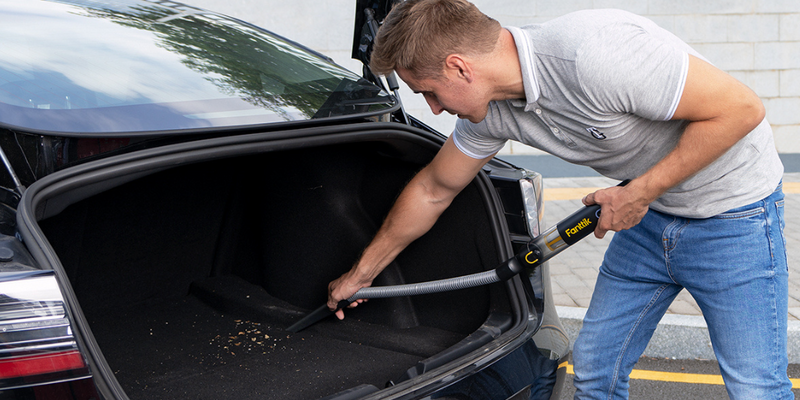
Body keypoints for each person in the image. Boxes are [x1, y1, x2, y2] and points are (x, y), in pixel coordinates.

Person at [327, 0, 792, 398]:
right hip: (647, 219)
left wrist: (641, 192)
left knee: (754, 386)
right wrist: (360, 275)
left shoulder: (594, 54)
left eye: (428, 91)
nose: (432, 108)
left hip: (735, 217)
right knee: (594, 370)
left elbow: (741, 109)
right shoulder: (490, 115)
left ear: (459, 66)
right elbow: (434, 189)